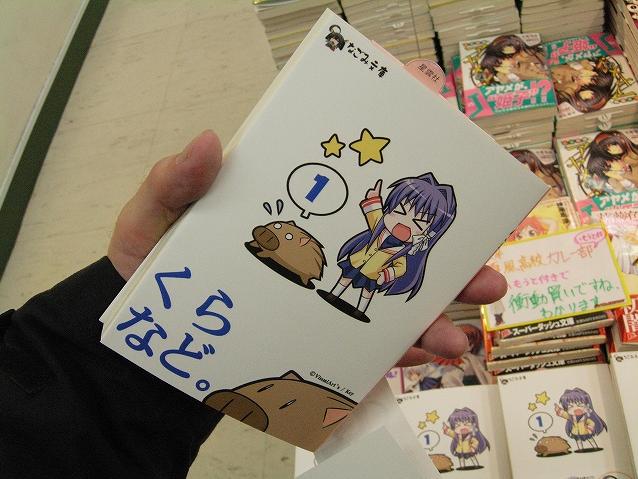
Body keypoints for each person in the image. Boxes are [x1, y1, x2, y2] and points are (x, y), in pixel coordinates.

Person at [0, 130, 507, 478]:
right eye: (403, 211)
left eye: (420, 222)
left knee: (365, 297)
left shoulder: (409, 249)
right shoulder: (382, 231)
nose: (405, 223)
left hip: (86, 378)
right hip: (93, 380)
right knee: (355, 289)